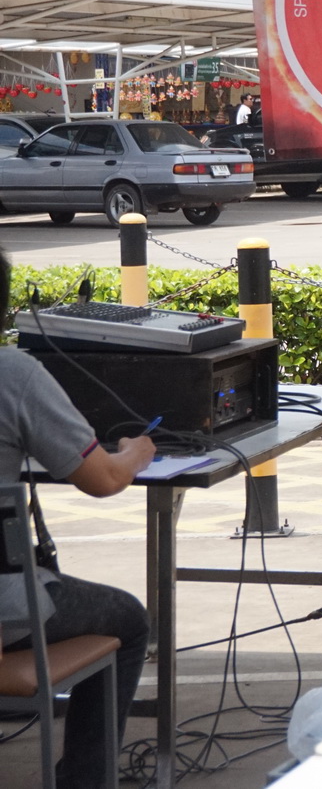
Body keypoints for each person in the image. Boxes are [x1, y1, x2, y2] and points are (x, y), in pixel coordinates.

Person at [0, 245, 155, 788]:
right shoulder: (13, 373)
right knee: (129, 618)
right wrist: (135, 452)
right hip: (4, 610)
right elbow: (104, 480)